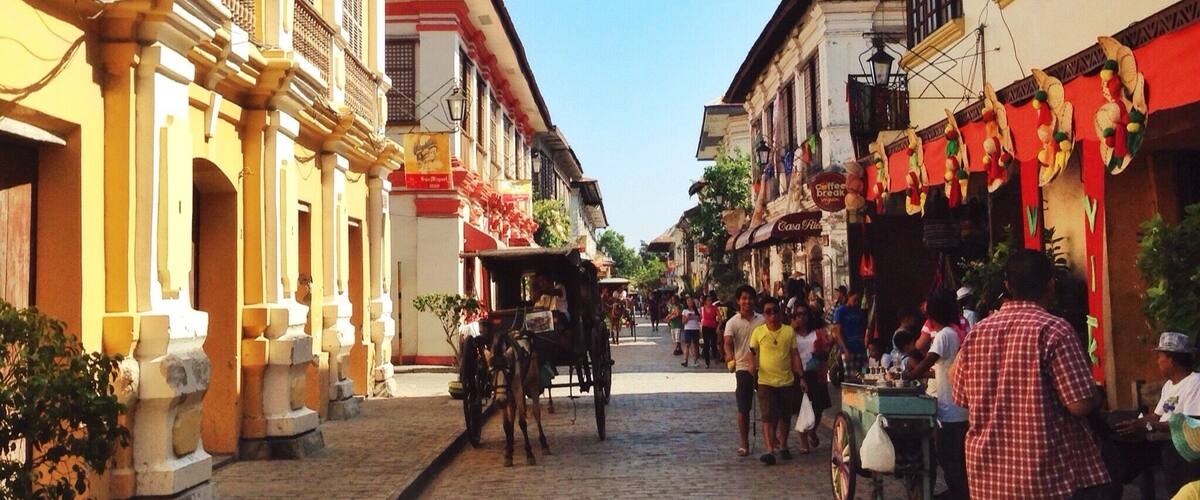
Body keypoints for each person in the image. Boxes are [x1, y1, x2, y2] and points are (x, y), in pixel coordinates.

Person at [953, 249, 1111, 499]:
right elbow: (1079, 405)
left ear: (1008, 285)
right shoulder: (1054, 330)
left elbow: (961, 398)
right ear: (1051, 284)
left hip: (988, 478)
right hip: (1045, 477)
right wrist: (1096, 395)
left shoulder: (976, 333)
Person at [902, 290, 968, 500]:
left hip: (950, 410)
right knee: (954, 459)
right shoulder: (952, 332)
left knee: (949, 458)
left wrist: (908, 374)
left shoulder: (943, 335)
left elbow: (927, 362)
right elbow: (940, 368)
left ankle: (958, 493)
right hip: (955, 407)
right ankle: (958, 492)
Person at [1117, 331, 1200, 494]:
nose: (1158, 362)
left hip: (1183, 447)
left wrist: (1147, 426)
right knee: (1127, 448)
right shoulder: (1170, 385)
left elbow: (1189, 423)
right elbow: (1157, 415)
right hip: (1163, 440)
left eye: (1160, 357)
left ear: (1172, 360)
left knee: (1171, 464)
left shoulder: (1195, 383)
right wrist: (1136, 424)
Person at [748, 297, 802, 465]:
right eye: (768, 312)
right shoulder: (758, 332)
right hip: (765, 381)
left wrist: (801, 376)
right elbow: (752, 351)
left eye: (775, 311)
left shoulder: (788, 331)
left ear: (780, 312)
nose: (772, 315)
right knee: (767, 417)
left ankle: (783, 445)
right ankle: (770, 449)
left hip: (786, 380)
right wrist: (752, 368)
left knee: (785, 417)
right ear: (763, 315)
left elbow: (794, 354)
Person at [724, 285, 764, 458]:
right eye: (744, 298)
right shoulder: (732, 322)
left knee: (769, 405)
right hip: (741, 367)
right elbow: (727, 342)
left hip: (764, 367)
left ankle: (774, 439)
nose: (747, 301)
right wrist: (729, 355)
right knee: (743, 408)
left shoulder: (762, 320)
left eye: (750, 298)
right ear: (739, 301)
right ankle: (744, 442)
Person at [793, 305, 830, 454]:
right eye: (798, 315)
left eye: (804, 314)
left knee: (818, 407)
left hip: (816, 374)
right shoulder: (791, 335)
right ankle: (803, 442)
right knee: (802, 408)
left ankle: (812, 430)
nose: (802, 317)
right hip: (799, 373)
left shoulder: (818, 333)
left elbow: (826, 351)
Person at [831, 291, 868, 380]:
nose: (856, 302)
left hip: (860, 348)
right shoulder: (841, 311)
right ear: (849, 297)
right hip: (848, 348)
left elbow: (863, 328)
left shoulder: (858, 311)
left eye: (858, 300)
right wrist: (844, 349)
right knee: (851, 377)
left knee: (864, 373)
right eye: (854, 300)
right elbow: (837, 332)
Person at [700, 291, 721, 368]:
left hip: (713, 327)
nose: (709, 301)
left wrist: (718, 327)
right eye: (708, 300)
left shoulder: (715, 308)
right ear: (705, 301)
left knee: (713, 344)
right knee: (706, 345)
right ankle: (707, 362)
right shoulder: (702, 309)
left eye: (710, 300)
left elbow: (720, 318)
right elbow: (700, 319)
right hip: (705, 327)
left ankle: (715, 357)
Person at [681, 296, 701, 367]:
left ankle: (695, 360)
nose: (689, 302)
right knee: (687, 345)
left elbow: (699, 319)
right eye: (688, 301)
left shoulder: (697, 310)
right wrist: (688, 318)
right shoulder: (685, 311)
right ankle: (685, 360)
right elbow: (683, 322)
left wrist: (695, 317)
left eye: (690, 301)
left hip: (695, 329)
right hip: (688, 329)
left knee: (695, 345)